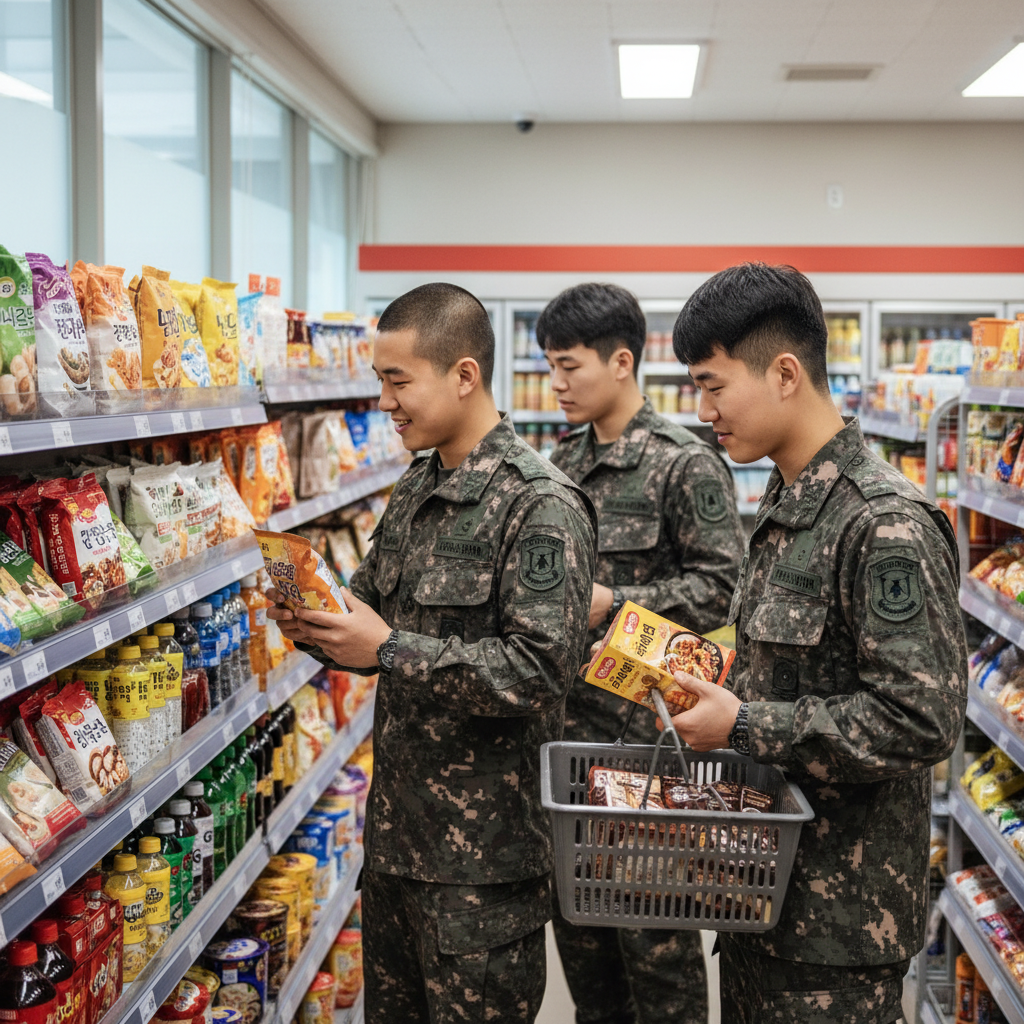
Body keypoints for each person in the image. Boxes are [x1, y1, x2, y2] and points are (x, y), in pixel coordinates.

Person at [267, 282, 597, 1024]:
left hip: (484, 872)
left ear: (463, 375)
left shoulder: (540, 504)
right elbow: (364, 619)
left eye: (398, 381)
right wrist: (311, 618)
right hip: (394, 852)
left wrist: (389, 649)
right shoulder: (416, 487)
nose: (385, 402)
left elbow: (540, 672)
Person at [666, 262, 968, 1024]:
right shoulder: (786, 497)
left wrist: (743, 724)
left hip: (836, 936)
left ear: (785, 373)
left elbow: (921, 719)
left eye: (713, 385)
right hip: (759, 895)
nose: (704, 410)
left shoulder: (882, 521)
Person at [537, 282, 745, 1024]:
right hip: (571, 751)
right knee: (585, 954)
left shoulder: (684, 462)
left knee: (658, 957)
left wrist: (615, 603)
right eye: (550, 367)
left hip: (648, 752)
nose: (556, 384)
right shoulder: (557, 463)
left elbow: (723, 587)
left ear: (621, 361)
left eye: (569, 366)